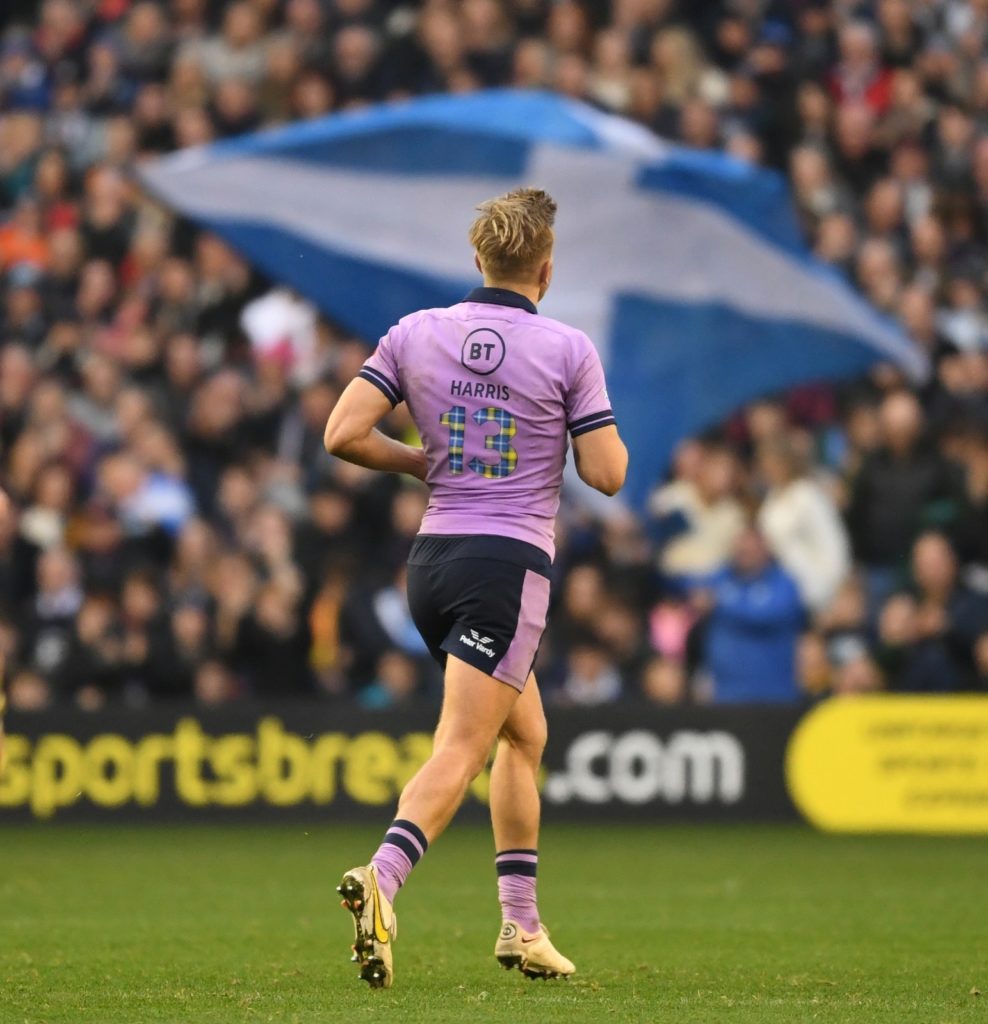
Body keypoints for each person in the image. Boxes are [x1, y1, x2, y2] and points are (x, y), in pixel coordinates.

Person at [322, 188, 627, 988]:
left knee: (525, 737)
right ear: (546, 270)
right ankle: (382, 880)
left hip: (431, 564)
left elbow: (342, 433)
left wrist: (421, 462)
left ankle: (522, 926)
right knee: (463, 745)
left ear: (479, 259)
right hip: (506, 567)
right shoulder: (567, 348)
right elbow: (607, 475)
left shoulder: (415, 331)